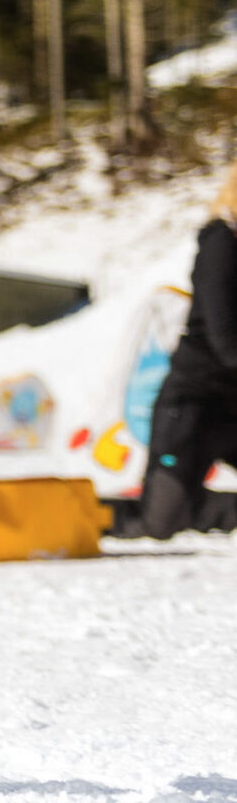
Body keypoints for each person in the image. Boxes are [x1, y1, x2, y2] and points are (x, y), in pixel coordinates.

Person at [129, 165, 237, 537]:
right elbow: (226, 338)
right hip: (194, 403)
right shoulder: (221, 243)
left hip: (233, 404)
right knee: (160, 523)